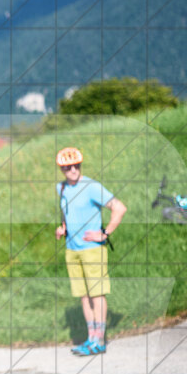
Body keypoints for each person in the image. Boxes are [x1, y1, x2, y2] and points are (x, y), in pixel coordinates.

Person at [54, 147, 127, 356]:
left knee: (97, 295)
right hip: (72, 250)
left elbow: (120, 208)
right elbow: (68, 212)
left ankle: (100, 341)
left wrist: (104, 233)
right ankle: (90, 339)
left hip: (92, 250)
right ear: (62, 170)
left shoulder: (91, 187)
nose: (73, 170)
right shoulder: (61, 188)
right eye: (68, 168)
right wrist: (63, 228)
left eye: (76, 165)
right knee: (84, 297)